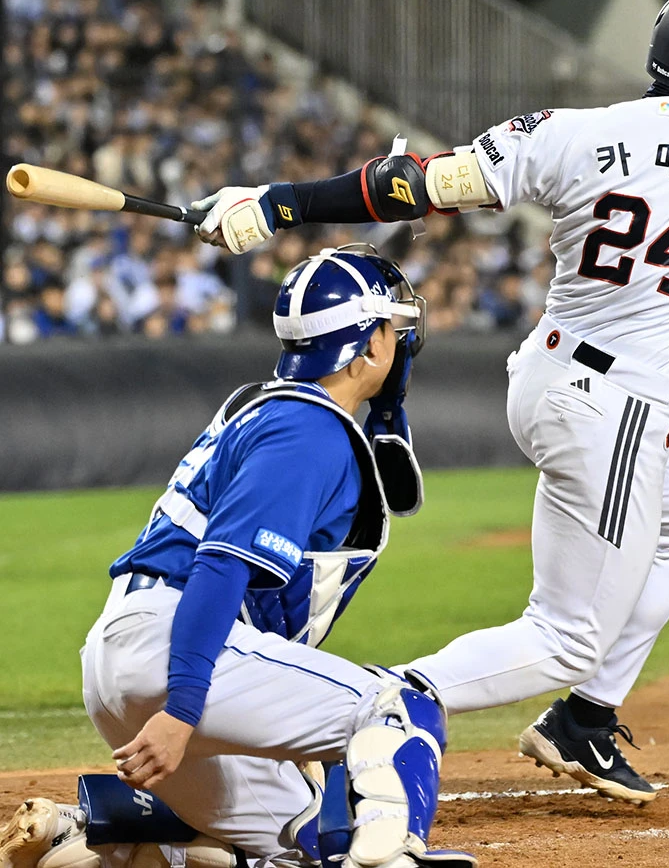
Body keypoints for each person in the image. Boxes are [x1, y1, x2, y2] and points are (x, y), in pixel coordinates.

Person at [187, 0, 669, 804]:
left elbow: (408, 187)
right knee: (567, 637)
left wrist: (276, 204)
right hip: (618, 405)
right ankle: (355, 706)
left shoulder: (571, 131)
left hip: (551, 375)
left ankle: (584, 721)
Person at [1, 248, 475, 868]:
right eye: (392, 326)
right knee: (400, 709)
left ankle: (92, 839)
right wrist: (181, 712)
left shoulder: (268, 406)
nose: (403, 339)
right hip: (178, 651)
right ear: (367, 345)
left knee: (306, 842)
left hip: (132, 656)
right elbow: (222, 565)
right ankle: (392, 859)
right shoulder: (305, 430)